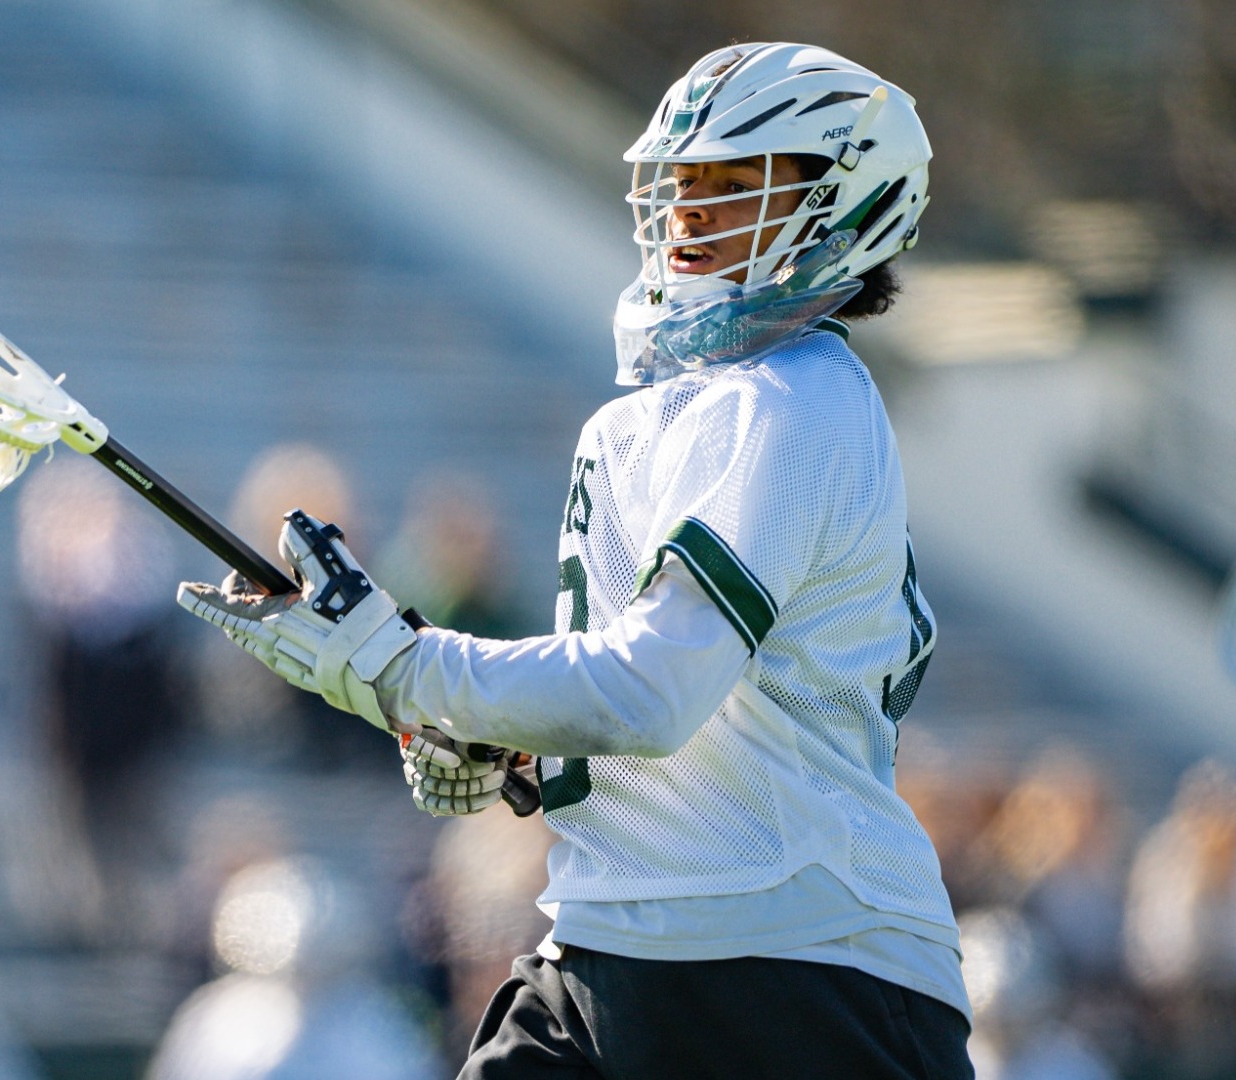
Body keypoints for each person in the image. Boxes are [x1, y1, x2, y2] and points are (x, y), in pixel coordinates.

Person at [179, 41, 967, 1079]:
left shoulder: (793, 399)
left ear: (848, 207)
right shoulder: (640, 425)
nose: (687, 211)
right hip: (612, 941)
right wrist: (498, 741)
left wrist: (410, 668)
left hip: (799, 964)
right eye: (682, 183)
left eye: (735, 184)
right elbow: (637, 724)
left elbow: (649, 694)